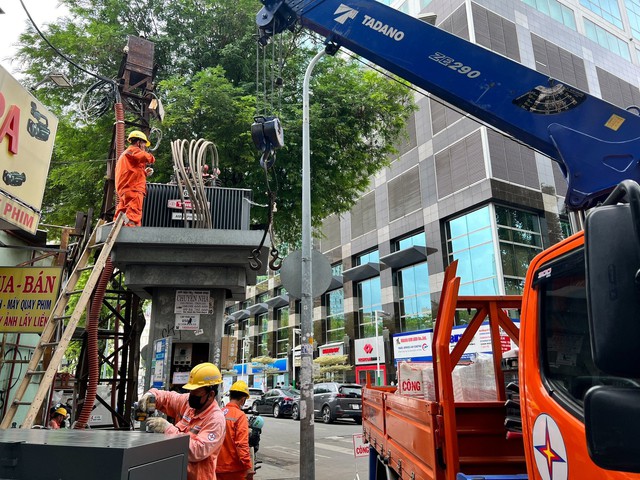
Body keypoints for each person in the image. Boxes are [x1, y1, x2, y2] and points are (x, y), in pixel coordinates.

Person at [138, 363, 226, 480]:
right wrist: (151, 395)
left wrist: (167, 429)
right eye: (191, 391)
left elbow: (197, 450)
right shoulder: (189, 404)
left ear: (211, 394)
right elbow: (168, 398)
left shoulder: (215, 419)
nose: (191, 395)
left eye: (196, 392)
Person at [114, 130, 155, 227]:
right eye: (144, 144)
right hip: (133, 190)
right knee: (133, 215)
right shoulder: (133, 150)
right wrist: (151, 157)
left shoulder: (125, 155)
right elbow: (148, 158)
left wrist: (144, 173)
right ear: (139, 142)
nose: (144, 147)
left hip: (124, 190)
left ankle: (116, 231)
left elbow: (130, 172)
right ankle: (131, 235)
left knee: (122, 212)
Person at [216, 381, 254, 480]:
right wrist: (248, 467)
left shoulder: (219, 413)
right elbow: (242, 445)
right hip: (234, 470)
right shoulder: (240, 416)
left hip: (217, 467)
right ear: (243, 399)